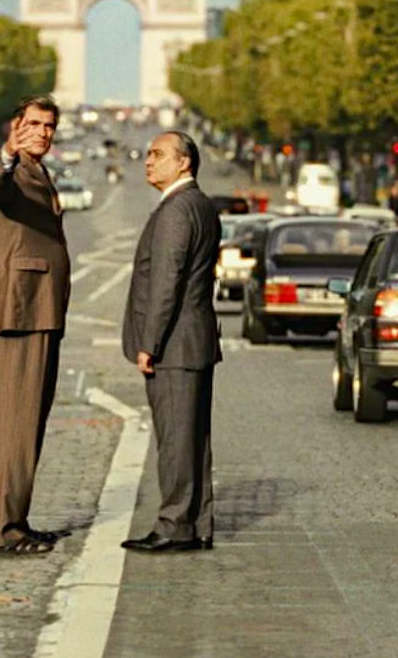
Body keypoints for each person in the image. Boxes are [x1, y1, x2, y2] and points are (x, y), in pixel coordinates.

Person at [0, 95, 72, 556]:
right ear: (14, 128)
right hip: (21, 310)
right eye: (33, 124)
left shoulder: (40, 170)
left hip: (40, 310)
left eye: (49, 125)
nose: (42, 132)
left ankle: (16, 519)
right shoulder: (10, 169)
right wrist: (8, 155)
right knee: (15, 425)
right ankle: (2, 530)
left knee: (27, 424)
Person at [120, 130, 221, 553]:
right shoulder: (201, 205)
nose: (148, 161)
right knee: (193, 440)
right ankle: (196, 523)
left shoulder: (176, 211)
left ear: (184, 163)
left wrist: (150, 343)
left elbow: (166, 282)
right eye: (148, 154)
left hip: (175, 344)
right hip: (193, 340)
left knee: (176, 440)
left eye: (158, 154)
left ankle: (174, 525)